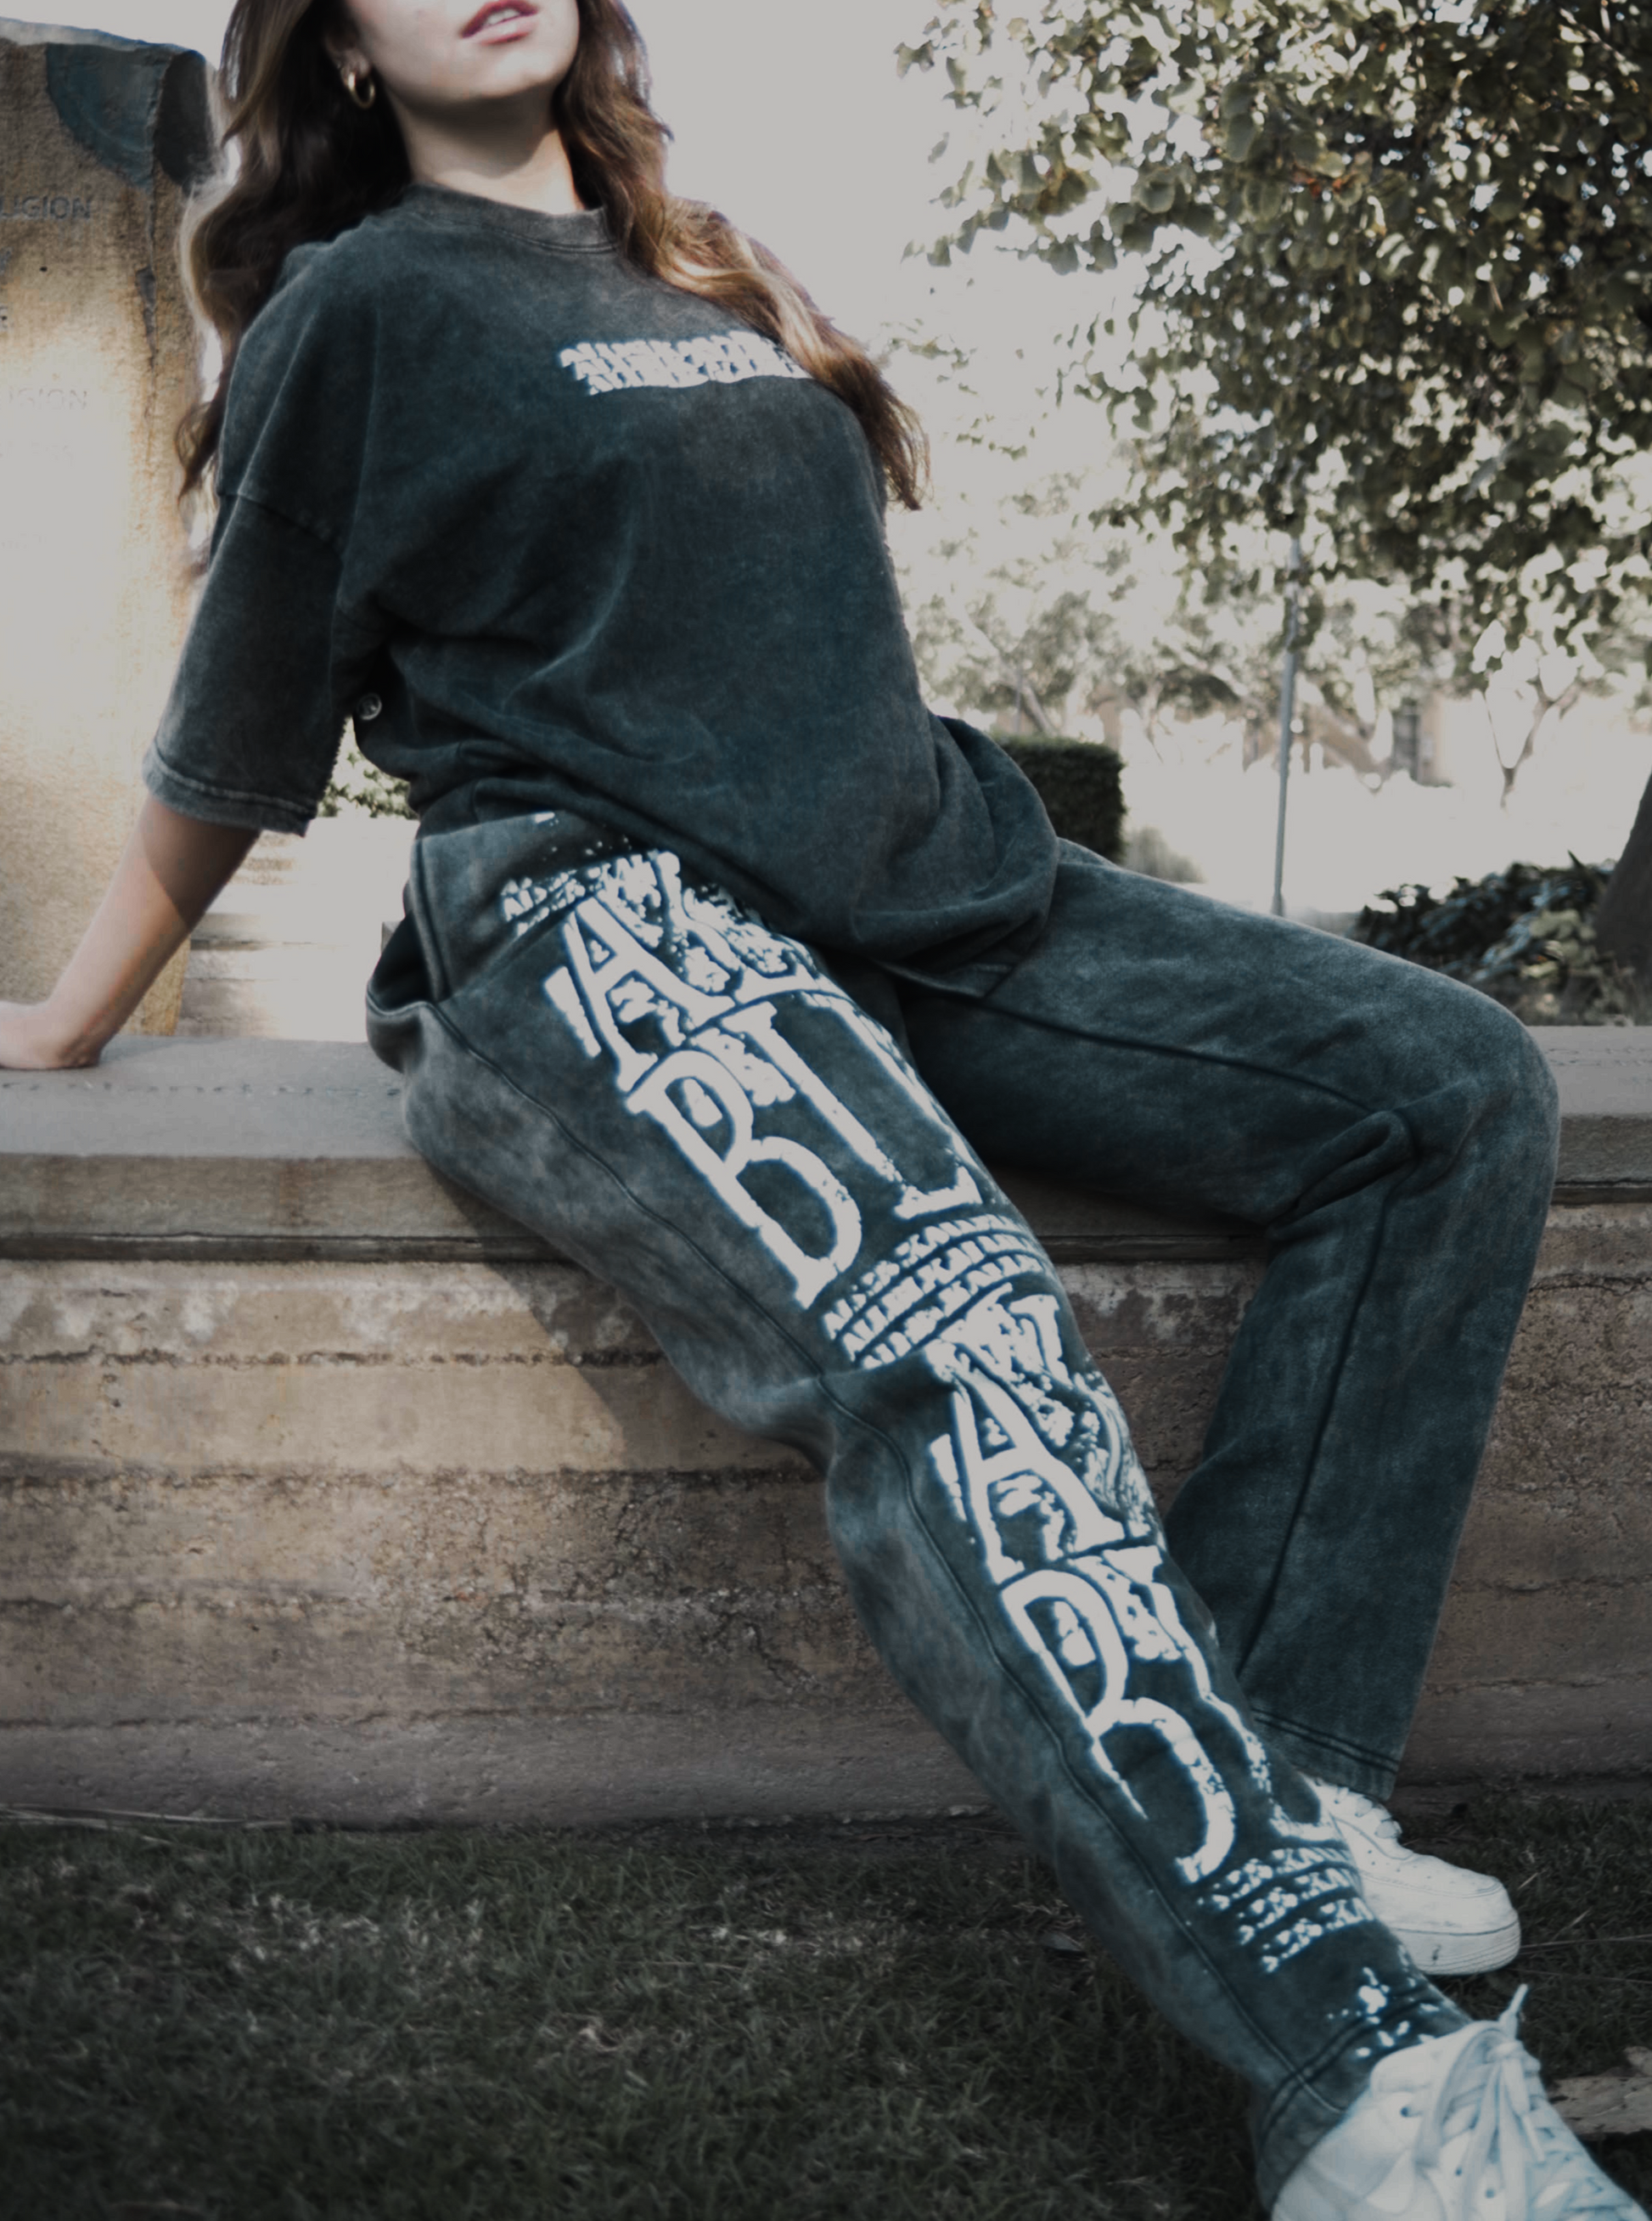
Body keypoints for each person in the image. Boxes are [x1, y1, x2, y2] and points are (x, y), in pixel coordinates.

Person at [0, 3, 1638, 2213]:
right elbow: (240, 717)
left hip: (927, 883)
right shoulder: (363, 304)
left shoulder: (689, 253)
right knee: (956, 1315)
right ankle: (1363, 2087)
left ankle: (1281, 1799)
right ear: (344, 48)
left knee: (1446, 1090)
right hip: (604, 909)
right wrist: (71, 1015)